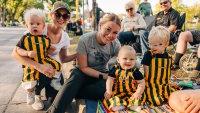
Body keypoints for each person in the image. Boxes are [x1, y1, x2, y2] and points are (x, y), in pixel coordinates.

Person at [46, 13, 121, 113]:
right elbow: (83, 68)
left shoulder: (116, 45)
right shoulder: (85, 39)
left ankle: (68, 93)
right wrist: (104, 76)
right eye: (108, 29)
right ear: (100, 25)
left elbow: (122, 62)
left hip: (101, 74)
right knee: (75, 78)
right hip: (82, 73)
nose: (111, 35)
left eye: (115, 32)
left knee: (109, 89)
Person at [12, 0, 76, 107]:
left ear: (68, 19)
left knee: (57, 102)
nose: (61, 18)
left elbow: (64, 58)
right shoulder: (37, 25)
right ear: (51, 15)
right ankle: (36, 95)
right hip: (36, 67)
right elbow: (15, 53)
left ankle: (51, 87)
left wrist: (77, 55)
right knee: (38, 80)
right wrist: (40, 67)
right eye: (58, 14)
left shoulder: (65, 37)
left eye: (65, 16)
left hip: (52, 69)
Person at [14, 8, 63, 110]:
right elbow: (18, 50)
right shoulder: (25, 38)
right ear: (27, 26)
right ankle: (31, 93)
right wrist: (27, 53)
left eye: (38, 23)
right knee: (31, 80)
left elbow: (47, 49)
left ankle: (55, 80)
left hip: (44, 59)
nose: (35, 25)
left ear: (43, 26)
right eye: (31, 24)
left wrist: (51, 49)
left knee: (57, 65)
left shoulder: (45, 38)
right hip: (32, 63)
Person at [102, 45, 145, 112]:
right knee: (111, 98)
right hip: (117, 92)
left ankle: (133, 105)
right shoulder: (115, 70)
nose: (128, 61)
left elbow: (141, 83)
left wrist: (138, 93)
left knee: (138, 98)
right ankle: (118, 104)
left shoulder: (135, 72)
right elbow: (110, 80)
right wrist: (109, 90)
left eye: (131, 59)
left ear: (135, 60)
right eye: (125, 58)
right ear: (118, 60)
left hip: (132, 92)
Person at [141, 26, 176, 108]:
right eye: (151, 44)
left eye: (158, 44)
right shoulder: (149, 54)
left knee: (171, 96)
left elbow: (168, 70)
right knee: (155, 100)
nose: (154, 47)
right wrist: (146, 78)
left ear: (166, 44)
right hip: (151, 84)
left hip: (164, 83)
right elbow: (145, 67)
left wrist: (169, 80)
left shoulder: (168, 56)